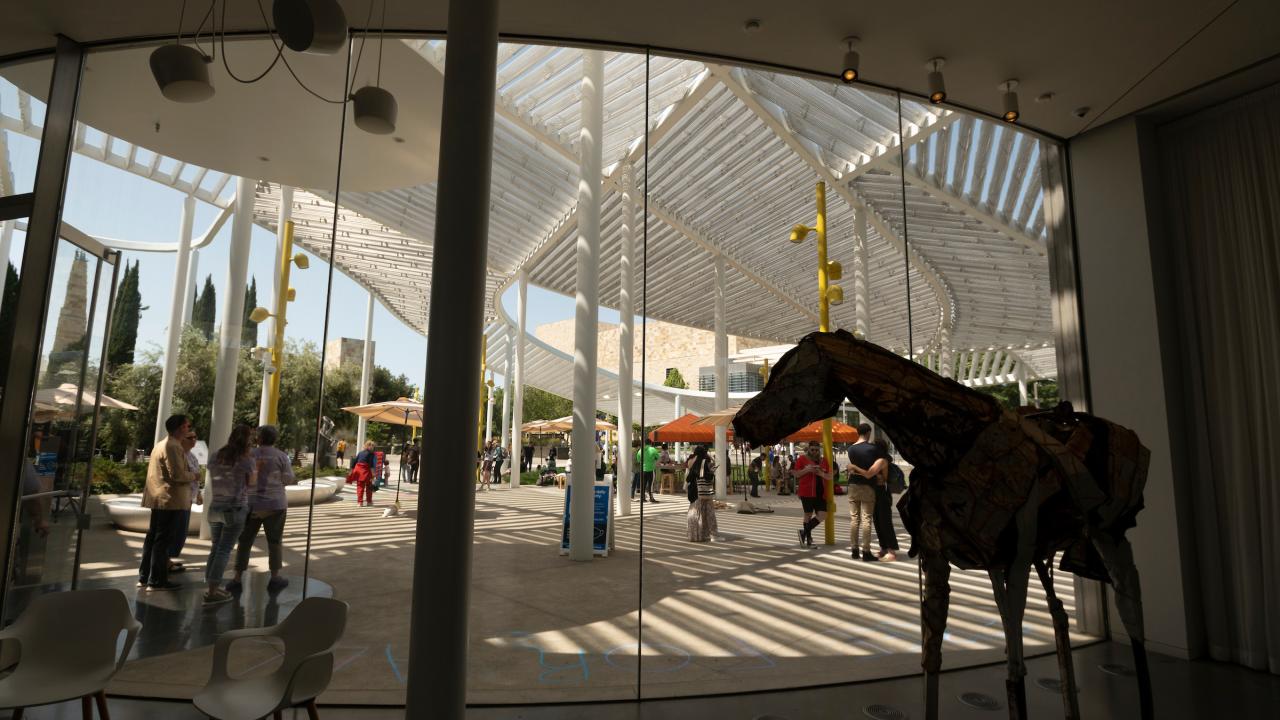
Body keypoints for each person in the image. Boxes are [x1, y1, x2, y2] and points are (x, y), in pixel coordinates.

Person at [229, 425, 294, 593]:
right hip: (275, 505)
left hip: (251, 505)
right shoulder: (282, 456)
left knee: (244, 541)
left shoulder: (248, 456)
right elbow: (288, 478)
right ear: (275, 439)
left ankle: (237, 578)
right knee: (274, 542)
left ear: (258, 439)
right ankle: (275, 577)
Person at [138, 414, 198, 591]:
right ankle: (156, 580)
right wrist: (195, 475)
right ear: (180, 428)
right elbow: (178, 475)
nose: (189, 429)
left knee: (154, 539)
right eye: (187, 426)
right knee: (162, 541)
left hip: (160, 498)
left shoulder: (161, 444)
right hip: (170, 500)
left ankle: (146, 576)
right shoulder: (173, 446)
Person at [202, 424, 255, 605]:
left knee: (216, 547)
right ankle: (212, 590)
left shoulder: (217, 455)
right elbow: (251, 483)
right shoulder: (245, 459)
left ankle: (210, 587)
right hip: (235, 508)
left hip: (215, 507)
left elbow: (212, 473)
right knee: (224, 549)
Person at [166, 424, 200, 575]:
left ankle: (168, 560)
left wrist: (198, 494)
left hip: (188, 499)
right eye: (189, 437)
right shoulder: (178, 454)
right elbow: (179, 475)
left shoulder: (192, 456)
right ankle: (165, 562)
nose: (193, 440)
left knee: (180, 531)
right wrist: (194, 477)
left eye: (195, 437)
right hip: (178, 499)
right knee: (173, 532)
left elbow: (196, 478)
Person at [844, 425, 880, 562]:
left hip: (853, 485)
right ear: (869, 432)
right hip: (867, 486)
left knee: (854, 519)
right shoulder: (873, 449)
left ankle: (854, 550)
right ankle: (866, 551)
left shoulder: (851, 449)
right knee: (866, 519)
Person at [791, 441, 831, 548]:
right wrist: (807, 469)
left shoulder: (824, 461)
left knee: (823, 515)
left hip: (821, 493)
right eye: (812, 449)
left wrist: (821, 472)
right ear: (808, 449)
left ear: (819, 450)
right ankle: (808, 539)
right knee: (808, 514)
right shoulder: (802, 459)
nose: (814, 452)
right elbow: (796, 474)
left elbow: (830, 476)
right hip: (806, 491)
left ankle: (803, 532)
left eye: (816, 450)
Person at [870, 437, 900, 562]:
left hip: (883, 493)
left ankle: (891, 550)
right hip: (874, 493)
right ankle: (883, 547)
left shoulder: (884, 460)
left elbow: (882, 479)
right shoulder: (873, 460)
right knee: (877, 520)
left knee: (885, 521)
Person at [685, 445, 719, 542]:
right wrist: (712, 472)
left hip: (696, 493)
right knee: (709, 513)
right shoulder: (704, 462)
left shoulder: (693, 461)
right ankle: (713, 535)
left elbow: (688, 478)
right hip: (705, 492)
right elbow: (708, 477)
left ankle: (696, 535)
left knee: (697, 514)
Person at [347, 440, 378, 506]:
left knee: (360, 487)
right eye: (372, 446)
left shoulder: (360, 453)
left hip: (358, 471)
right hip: (366, 471)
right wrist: (373, 474)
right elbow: (371, 465)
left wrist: (351, 471)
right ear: (369, 446)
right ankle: (369, 502)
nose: (373, 447)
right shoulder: (371, 454)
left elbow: (354, 462)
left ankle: (360, 502)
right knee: (369, 487)